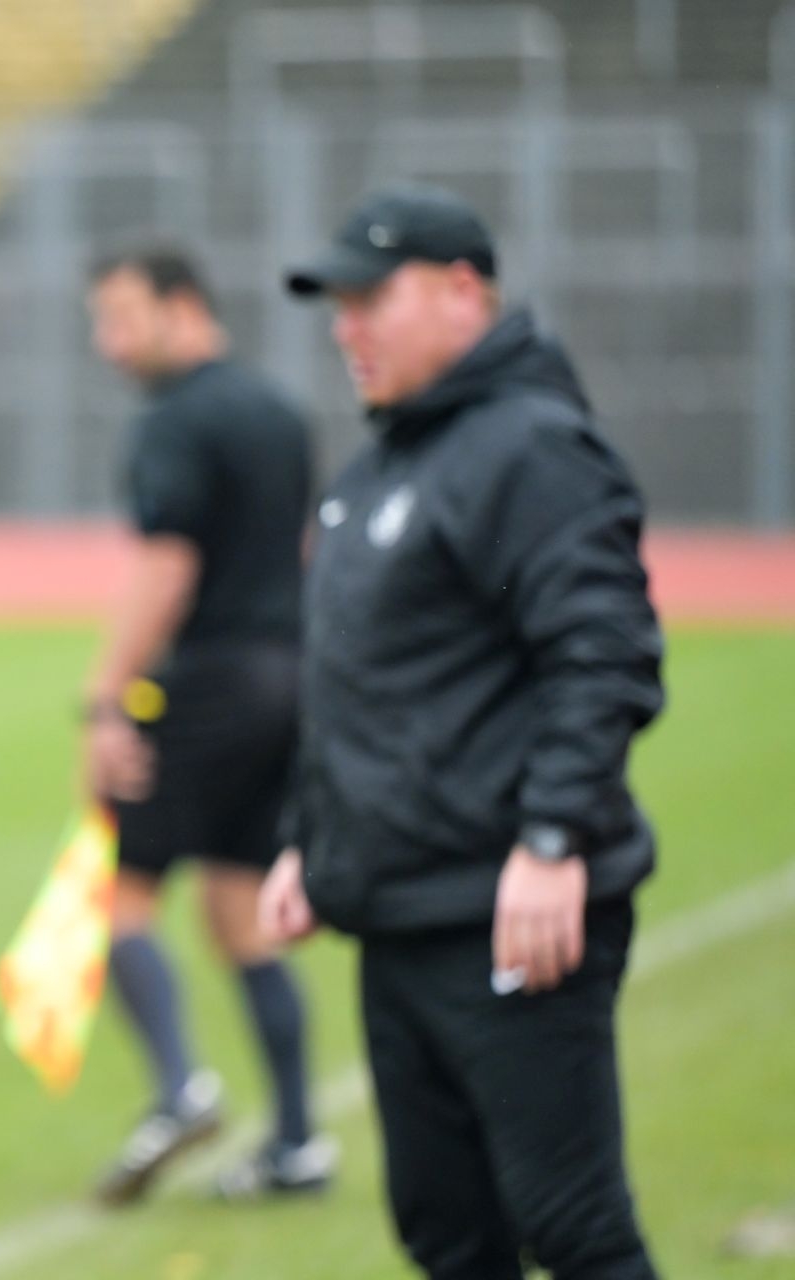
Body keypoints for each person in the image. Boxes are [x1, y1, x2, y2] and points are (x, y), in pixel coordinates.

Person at [265, 183, 665, 1279]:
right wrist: (310, 839)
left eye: (370, 299)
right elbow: (362, 677)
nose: (347, 328)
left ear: (461, 291)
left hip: (509, 914)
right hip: (399, 914)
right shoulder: (385, 462)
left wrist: (553, 839)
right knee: (447, 1232)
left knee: (574, 1229)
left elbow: (604, 652)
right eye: (338, 306)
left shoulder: (531, 446)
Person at [82, 244, 334, 1205]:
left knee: (120, 899)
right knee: (243, 912)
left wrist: (107, 698)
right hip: (287, 675)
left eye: (121, 318)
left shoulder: (175, 420)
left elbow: (168, 566)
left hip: (212, 680)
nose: (109, 344)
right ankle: (297, 1145)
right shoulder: (277, 411)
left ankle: (181, 1089)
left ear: (181, 305)